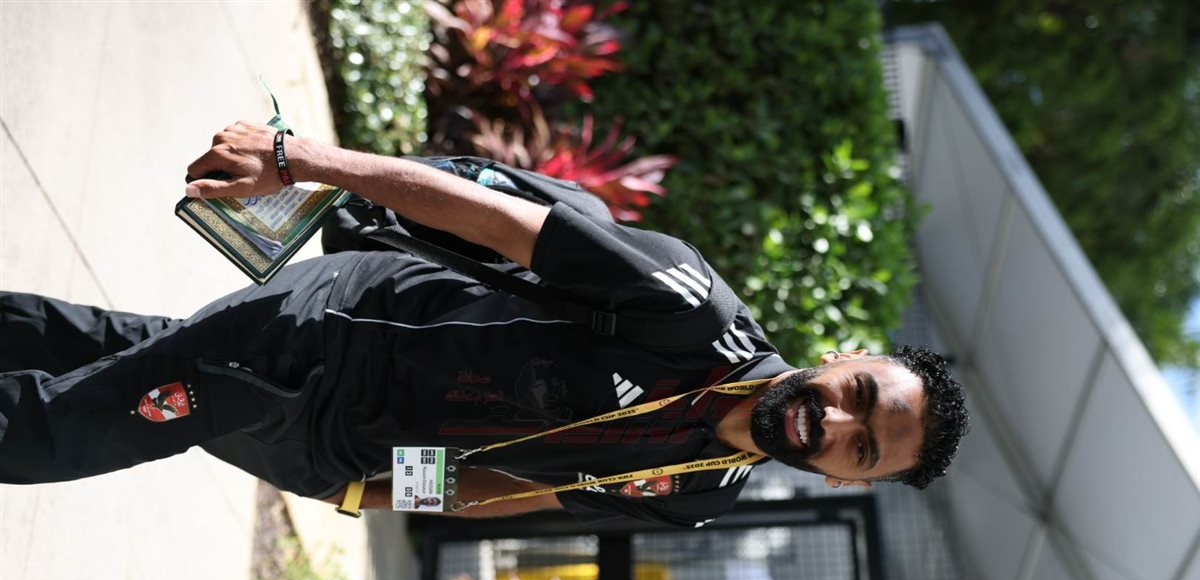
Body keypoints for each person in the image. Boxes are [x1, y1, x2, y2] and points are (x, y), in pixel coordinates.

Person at [0, 122, 969, 527]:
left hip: (331, 444)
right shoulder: (689, 308)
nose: (836, 422)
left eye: (863, 448)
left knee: (108, 355)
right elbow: (487, 219)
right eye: (859, 395)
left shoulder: (698, 494)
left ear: (849, 479)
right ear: (845, 356)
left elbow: (526, 486)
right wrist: (298, 161)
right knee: (64, 430)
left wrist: (368, 493)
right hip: (326, 329)